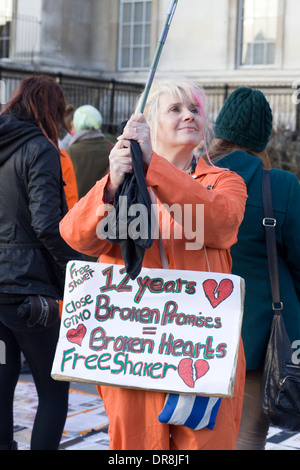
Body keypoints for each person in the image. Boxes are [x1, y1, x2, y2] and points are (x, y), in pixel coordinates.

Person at [59, 79, 248, 450]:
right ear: (147, 124)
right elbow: (77, 236)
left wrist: (154, 167)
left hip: (202, 351)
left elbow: (220, 223)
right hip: (132, 350)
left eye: (194, 109)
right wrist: (112, 184)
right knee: (137, 450)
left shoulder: (225, 182)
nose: (189, 115)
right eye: (175, 109)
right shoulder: (125, 184)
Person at [208, 86, 300, 450]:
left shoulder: (192, 180)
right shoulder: (280, 187)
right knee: (247, 437)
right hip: (261, 336)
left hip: (193, 332)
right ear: (263, 138)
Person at [0, 75, 83, 450]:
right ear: (50, 110)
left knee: (2, 383)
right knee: (54, 391)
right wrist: (79, 265)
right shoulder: (40, 148)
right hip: (28, 296)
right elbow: (47, 223)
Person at [66, 104, 111, 199]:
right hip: (104, 209)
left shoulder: (69, 152)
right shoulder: (111, 148)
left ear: (77, 123)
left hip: (77, 210)